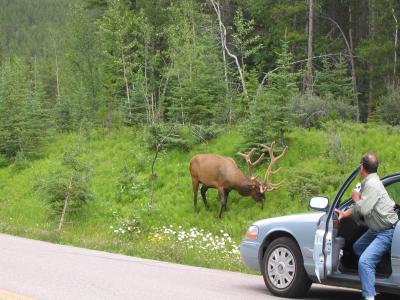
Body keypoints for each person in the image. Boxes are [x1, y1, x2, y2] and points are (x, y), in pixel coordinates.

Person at [335, 152, 399, 300]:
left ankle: (369, 296)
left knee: (365, 262)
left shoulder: (372, 185)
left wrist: (355, 198)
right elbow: (363, 205)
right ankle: (373, 276)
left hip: (387, 231)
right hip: (376, 229)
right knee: (358, 247)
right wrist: (345, 214)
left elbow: (363, 209)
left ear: (361, 167)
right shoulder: (371, 182)